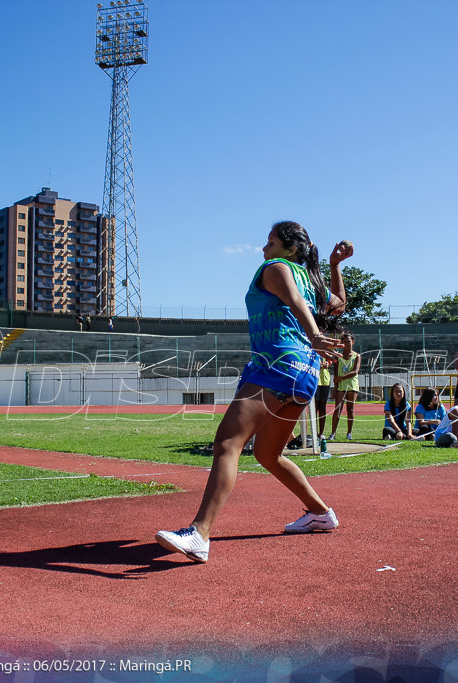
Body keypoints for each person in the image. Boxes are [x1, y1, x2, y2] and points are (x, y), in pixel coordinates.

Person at [155, 222, 351, 563]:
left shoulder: (276, 268)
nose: (264, 248)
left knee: (228, 444)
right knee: (268, 454)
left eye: (270, 241)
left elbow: (293, 301)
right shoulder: (310, 280)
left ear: (290, 249)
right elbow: (339, 304)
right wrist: (335, 268)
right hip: (303, 374)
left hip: (276, 364)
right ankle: (320, 513)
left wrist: (316, 334)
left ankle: (199, 533)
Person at [328, 331, 361, 440]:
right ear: (342, 343)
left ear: (353, 342)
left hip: (352, 386)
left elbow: (355, 371)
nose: (347, 344)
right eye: (345, 342)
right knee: (338, 409)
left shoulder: (357, 356)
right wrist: (335, 387)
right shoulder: (338, 356)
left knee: (350, 409)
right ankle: (333, 433)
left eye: (349, 341)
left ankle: (349, 433)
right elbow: (336, 373)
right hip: (341, 386)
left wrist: (341, 378)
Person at [315, 356, 334, 439]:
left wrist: (328, 363)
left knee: (322, 407)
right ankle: (314, 432)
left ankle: (321, 433)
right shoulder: (312, 347)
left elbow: (331, 358)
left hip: (325, 380)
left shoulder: (324, 348)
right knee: (315, 408)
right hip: (315, 379)